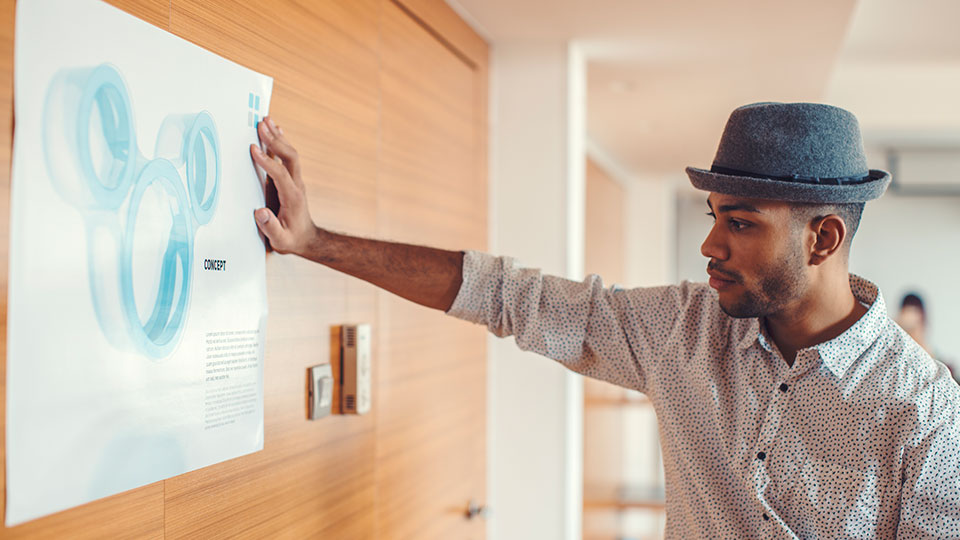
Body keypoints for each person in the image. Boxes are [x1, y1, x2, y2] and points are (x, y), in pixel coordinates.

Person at [248, 103, 960, 538]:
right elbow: (509, 296)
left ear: (823, 238)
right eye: (713, 218)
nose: (709, 245)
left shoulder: (924, 412)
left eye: (740, 224)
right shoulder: (681, 331)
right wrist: (316, 241)